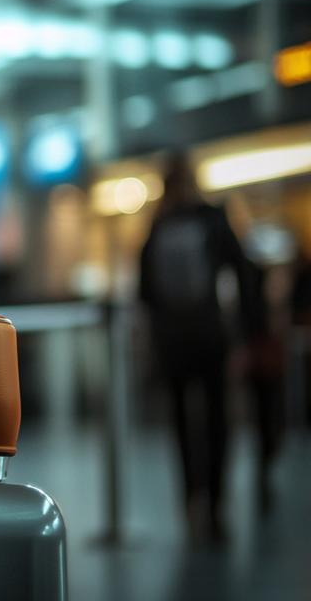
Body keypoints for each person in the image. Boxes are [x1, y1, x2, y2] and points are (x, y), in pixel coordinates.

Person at [138, 153, 261, 543]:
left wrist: (152, 340)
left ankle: (192, 499)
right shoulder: (211, 218)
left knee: (181, 423)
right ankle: (216, 501)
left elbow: (146, 292)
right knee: (216, 420)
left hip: (174, 338)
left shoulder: (158, 225)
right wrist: (246, 331)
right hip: (209, 335)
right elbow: (242, 272)